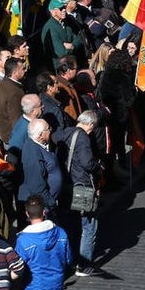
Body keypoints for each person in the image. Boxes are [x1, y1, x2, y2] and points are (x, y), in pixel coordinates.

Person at [54, 109, 103, 276]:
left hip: (66, 185)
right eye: (93, 128)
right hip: (81, 185)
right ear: (89, 124)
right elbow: (87, 162)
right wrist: (98, 167)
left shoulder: (65, 132)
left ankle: (70, 259)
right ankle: (83, 264)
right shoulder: (82, 138)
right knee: (89, 225)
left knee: (71, 225)